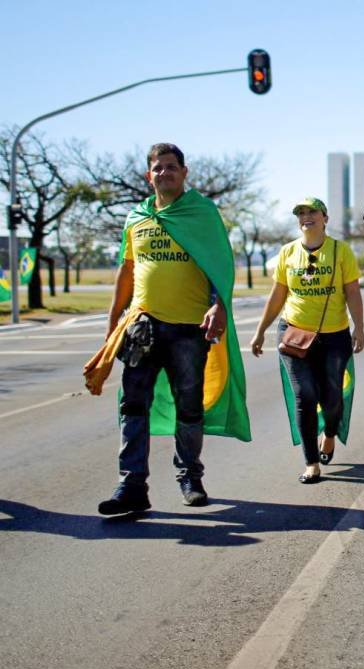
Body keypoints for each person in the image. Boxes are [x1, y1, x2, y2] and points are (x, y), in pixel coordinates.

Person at [91, 143, 250, 515]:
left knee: (189, 408)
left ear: (184, 172)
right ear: (149, 176)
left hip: (188, 329)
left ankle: (190, 477)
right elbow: (126, 270)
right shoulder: (136, 217)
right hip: (142, 326)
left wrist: (219, 305)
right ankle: (131, 487)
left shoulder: (202, 213)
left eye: (171, 167)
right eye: (158, 168)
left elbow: (220, 265)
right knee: (132, 406)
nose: (164, 173)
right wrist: (113, 321)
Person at [250, 197, 364, 483]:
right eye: (300, 213)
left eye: (312, 211)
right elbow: (278, 295)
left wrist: (359, 328)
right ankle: (311, 462)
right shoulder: (287, 252)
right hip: (294, 336)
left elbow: (352, 292)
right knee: (304, 395)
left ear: (324, 217)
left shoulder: (341, 251)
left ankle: (329, 432)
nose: (306, 217)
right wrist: (261, 329)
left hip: (334, 336)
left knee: (332, 398)